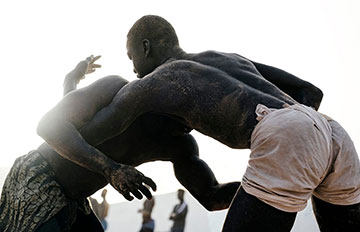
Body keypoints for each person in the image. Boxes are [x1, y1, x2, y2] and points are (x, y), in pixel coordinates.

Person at [66, 15, 358, 231]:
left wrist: (70, 84)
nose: (132, 68)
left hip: (286, 129)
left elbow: (87, 132)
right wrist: (305, 148)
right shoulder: (226, 58)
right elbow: (311, 93)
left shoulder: (157, 81)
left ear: (145, 48)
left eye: (131, 57)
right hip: (333, 133)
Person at [0, 55, 241, 232]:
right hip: (38, 179)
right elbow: (50, 127)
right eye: (187, 113)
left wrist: (263, 183)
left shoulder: (180, 144)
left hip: (75, 200)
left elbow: (211, 196)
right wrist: (111, 169)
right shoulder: (116, 90)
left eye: (199, 121)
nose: (191, 125)